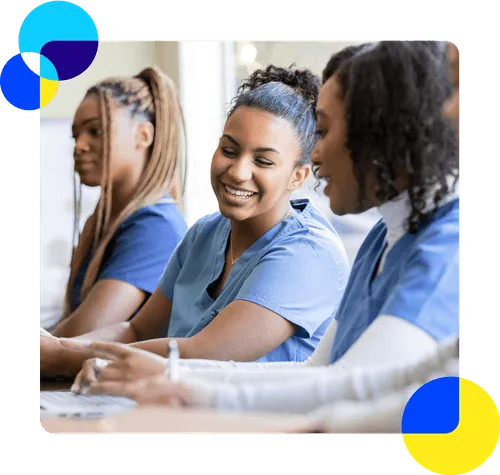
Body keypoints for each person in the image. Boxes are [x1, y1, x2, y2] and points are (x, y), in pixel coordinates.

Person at [65, 41, 461, 427]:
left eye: (322, 131)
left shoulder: (446, 251)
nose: (316, 156)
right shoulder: (383, 237)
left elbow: (355, 391)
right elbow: (317, 372)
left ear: (383, 133)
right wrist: (175, 379)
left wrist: (187, 387)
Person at [40, 65, 350, 379]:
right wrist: (56, 346)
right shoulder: (205, 233)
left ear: (298, 176)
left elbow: (205, 353)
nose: (238, 171)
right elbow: (136, 330)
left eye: (263, 161)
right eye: (229, 150)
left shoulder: (308, 253)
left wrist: (63, 355)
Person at [47, 67, 188, 339]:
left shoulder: (155, 226)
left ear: (144, 136)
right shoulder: (104, 225)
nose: (79, 145)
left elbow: (80, 335)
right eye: (76, 135)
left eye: (95, 131)